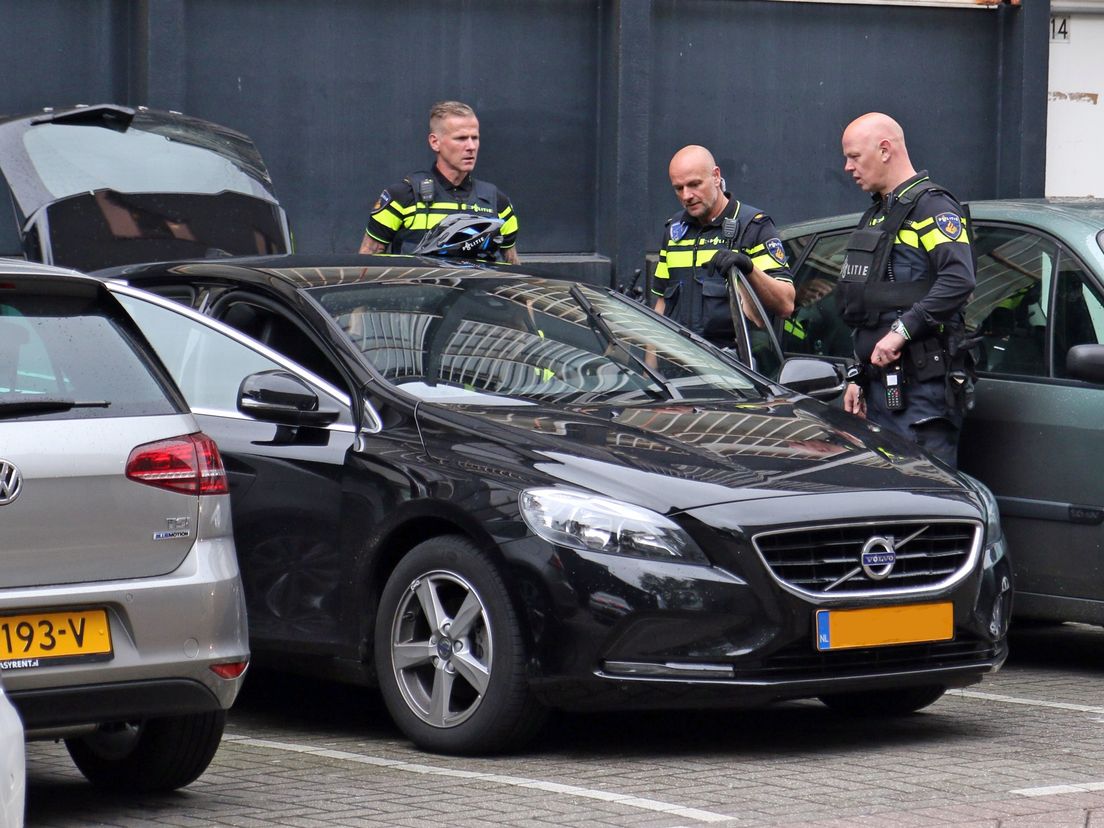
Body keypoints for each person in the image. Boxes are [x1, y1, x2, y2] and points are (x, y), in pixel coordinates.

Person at [838, 112, 976, 467]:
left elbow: (958, 279)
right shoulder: (877, 215)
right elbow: (870, 309)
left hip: (921, 394)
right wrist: (858, 374)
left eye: (854, 156)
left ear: (884, 150)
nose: (847, 167)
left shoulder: (932, 206)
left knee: (925, 505)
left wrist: (902, 331)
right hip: (879, 391)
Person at [651, 145, 795, 349]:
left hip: (731, 370)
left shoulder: (753, 227)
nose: (686, 196)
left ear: (716, 176)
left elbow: (786, 304)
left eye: (694, 184)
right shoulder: (674, 231)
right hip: (677, 368)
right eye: (678, 188)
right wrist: (649, 371)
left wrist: (749, 269)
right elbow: (661, 306)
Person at [358, 101, 520, 263]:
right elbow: (367, 265)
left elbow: (513, 267)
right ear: (435, 142)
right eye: (461, 138)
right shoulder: (402, 198)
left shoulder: (498, 203)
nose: (471, 146)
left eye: (475, 138)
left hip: (477, 288)